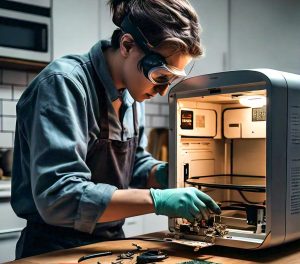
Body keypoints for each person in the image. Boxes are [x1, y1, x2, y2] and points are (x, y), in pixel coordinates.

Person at [11, 0, 221, 259]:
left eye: (172, 79)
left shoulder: (133, 95)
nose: (164, 91)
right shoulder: (64, 85)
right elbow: (59, 197)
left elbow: (132, 168)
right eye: (160, 76)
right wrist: (158, 200)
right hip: (55, 250)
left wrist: (163, 173)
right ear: (127, 45)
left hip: (111, 245)